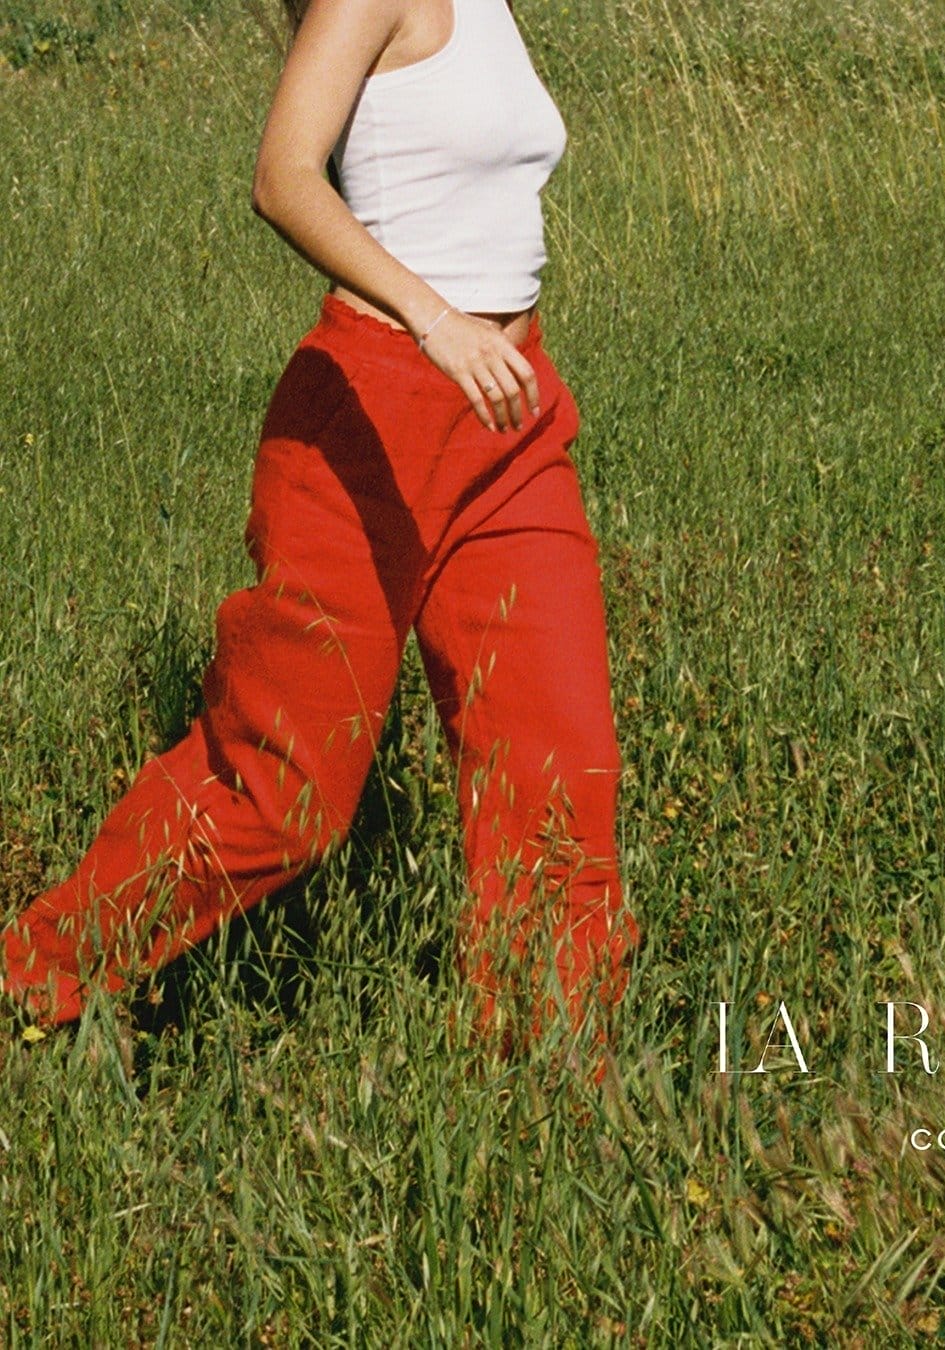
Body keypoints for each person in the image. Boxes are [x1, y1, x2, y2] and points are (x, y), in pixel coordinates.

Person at [1, 0, 635, 1046]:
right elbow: (284, 176)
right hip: (372, 414)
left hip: (512, 420)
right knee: (281, 794)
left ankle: (551, 1077)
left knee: (558, 768)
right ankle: (34, 976)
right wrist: (435, 320)